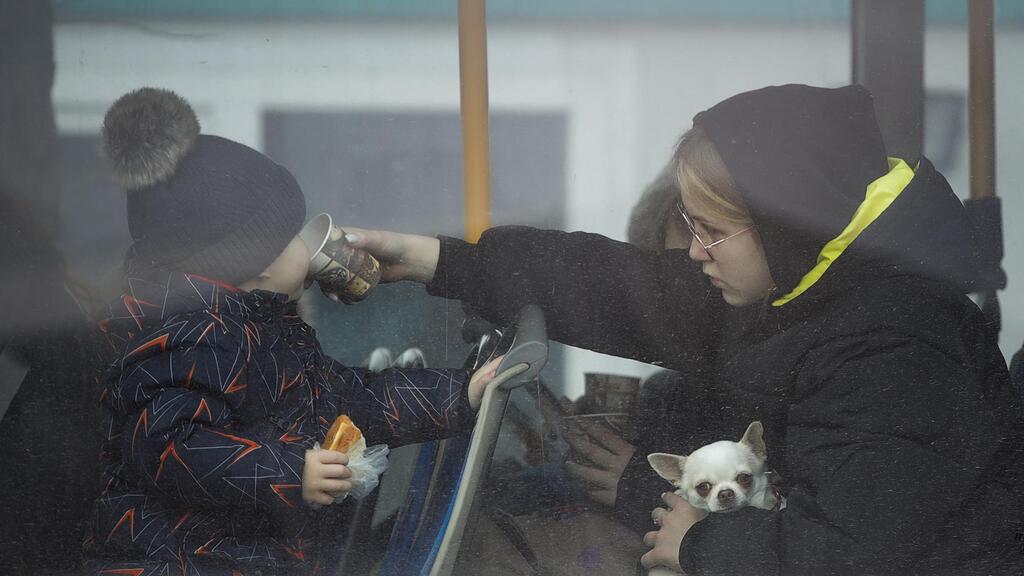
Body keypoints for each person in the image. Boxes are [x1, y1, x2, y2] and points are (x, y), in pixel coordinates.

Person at [347, 84, 1024, 575]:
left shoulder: (898, 348)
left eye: (712, 231)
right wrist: (441, 261)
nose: (694, 252)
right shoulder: (805, 287)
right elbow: (617, 284)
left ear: (785, 226)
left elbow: (850, 551)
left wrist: (697, 542)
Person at [86, 87, 503, 575]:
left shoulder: (264, 327)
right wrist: (286, 471)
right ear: (255, 262)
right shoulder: (186, 341)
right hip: (184, 563)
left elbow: (351, 400)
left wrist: (460, 393)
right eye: (290, 234)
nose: (308, 242)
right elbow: (168, 447)